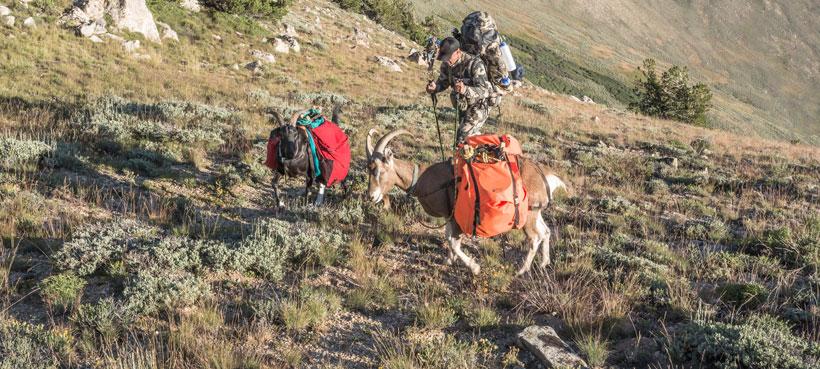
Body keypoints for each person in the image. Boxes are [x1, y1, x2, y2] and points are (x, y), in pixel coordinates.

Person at [426, 37, 492, 144]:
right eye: (444, 58)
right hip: (462, 106)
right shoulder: (446, 64)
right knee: (466, 138)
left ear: (458, 52)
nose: (447, 61)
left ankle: (485, 146)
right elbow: (443, 82)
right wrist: (435, 88)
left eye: (448, 57)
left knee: (461, 139)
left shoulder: (474, 64)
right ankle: (478, 144)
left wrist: (465, 89)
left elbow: (485, 91)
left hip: (478, 106)